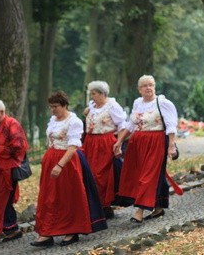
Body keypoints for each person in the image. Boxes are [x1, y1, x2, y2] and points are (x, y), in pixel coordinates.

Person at [31, 91, 107, 247]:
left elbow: (73, 146)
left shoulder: (74, 121)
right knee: (48, 196)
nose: (53, 110)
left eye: (56, 106)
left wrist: (60, 165)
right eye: (51, 107)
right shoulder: (52, 120)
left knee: (68, 196)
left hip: (67, 162)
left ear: (64, 105)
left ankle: (71, 231)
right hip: (50, 159)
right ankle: (46, 232)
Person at [113, 75, 179, 222]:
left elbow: (171, 125)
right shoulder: (138, 103)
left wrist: (171, 145)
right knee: (145, 174)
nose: (148, 88)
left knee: (147, 176)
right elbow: (131, 125)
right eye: (145, 86)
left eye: (151, 85)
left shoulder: (162, 103)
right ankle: (159, 205)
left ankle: (140, 210)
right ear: (139, 89)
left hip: (156, 142)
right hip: (138, 143)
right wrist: (119, 141)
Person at [0, 97, 28, 242]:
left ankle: (11, 229)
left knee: (4, 199)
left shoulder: (11, 124)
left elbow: (19, 146)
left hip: (6, 170)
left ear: (1, 111)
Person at [83, 81, 127, 218]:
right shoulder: (92, 105)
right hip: (90, 143)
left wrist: (118, 143)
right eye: (91, 94)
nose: (92, 96)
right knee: (89, 174)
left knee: (101, 175)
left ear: (103, 94)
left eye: (94, 94)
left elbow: (122, 125)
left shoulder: (112, 106)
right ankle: (96, 205)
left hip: (105, 142)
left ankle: (104, 205)